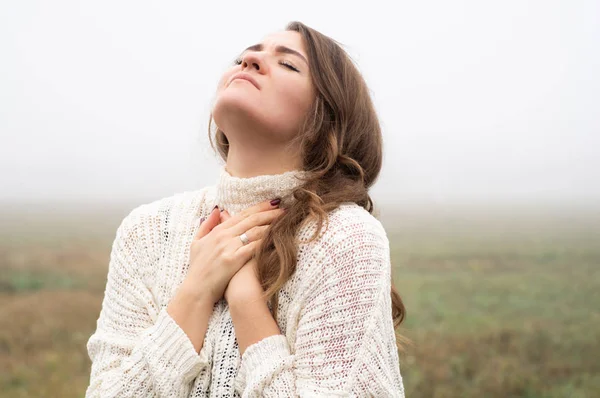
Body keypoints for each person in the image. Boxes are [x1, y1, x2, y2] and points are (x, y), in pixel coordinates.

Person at [85, 20, 406, 397]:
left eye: (288, 64)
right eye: (244, 56)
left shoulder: (344, 238)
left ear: (325, 117)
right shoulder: (148, 230)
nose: (251, 59)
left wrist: (247, 305)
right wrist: (196, 290)